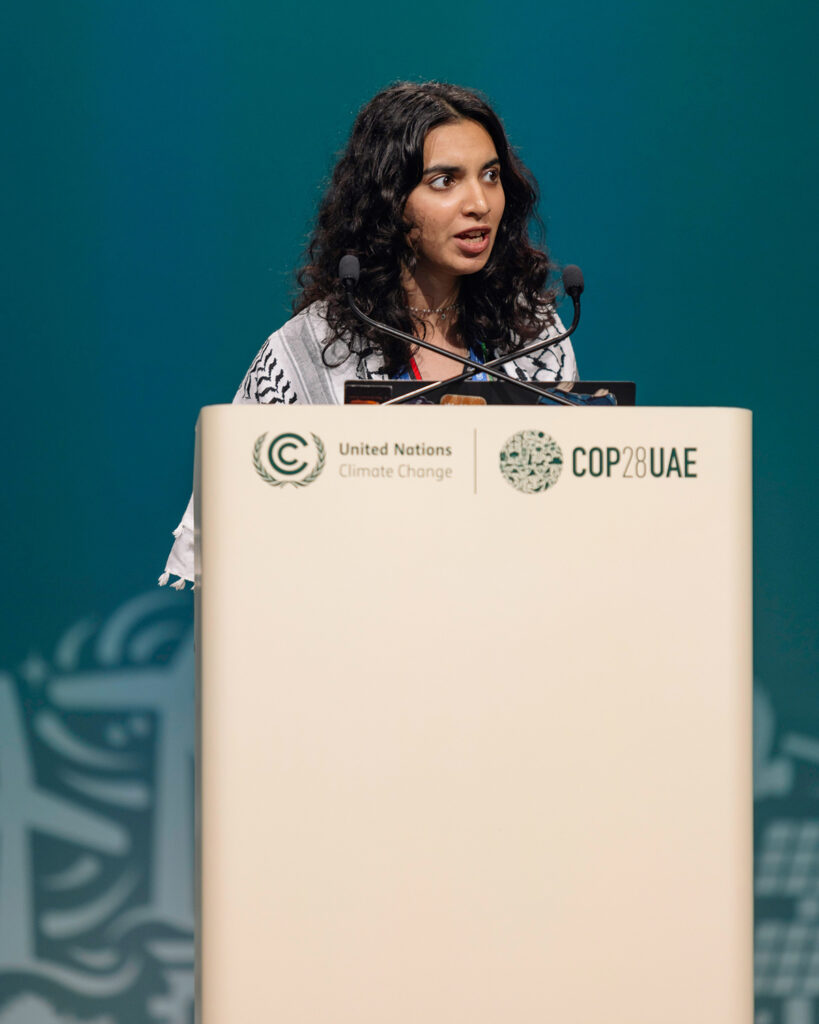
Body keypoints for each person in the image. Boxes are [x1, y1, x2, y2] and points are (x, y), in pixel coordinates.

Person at [160, 81, 578, 588]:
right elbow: (233, 537)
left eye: (490, 176)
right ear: (390, 201)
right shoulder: (308, 353)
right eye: (445, 181)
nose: (480, 203)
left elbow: (566, 504)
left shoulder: (533, 333)